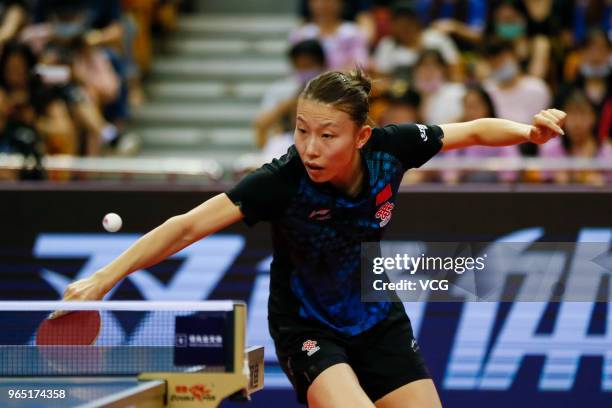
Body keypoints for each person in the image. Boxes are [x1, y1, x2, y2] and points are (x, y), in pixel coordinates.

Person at [56, 70, 566, 408]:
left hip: (375, 314)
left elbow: (473, 131)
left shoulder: (393, 149)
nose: (310, 147)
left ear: (361, 136)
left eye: (327, 135)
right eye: (301, 131)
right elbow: (187, 225)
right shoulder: (280, 180)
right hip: (307, 326)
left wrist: (529, 132)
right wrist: (104, 278)